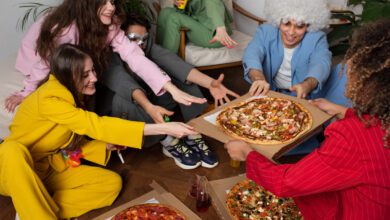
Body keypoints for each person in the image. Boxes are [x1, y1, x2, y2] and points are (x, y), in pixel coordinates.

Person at [0, 44, 198, 219]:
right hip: (12, 170)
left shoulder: (72, 96)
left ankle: (32, 209)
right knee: (12, 150)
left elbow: (65, 144)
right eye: (85, 74)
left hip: (46, 169)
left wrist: (104, 145)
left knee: (110, 184)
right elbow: (95, 124)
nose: (94, 78)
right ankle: (33, 211)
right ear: (68, 76)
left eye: (92, 70)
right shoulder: (49, 99)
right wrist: (162, 127)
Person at [225, 19, 390, 220]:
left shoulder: (351, 137)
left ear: (368, 80)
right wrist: (342, 110)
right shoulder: (383, 117)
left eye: (350, 67)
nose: (345, 70)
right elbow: (252, 54)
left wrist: (247, 154)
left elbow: (286, 183)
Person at [4, 0, 205, 113]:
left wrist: (170, 87)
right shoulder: (64, 31)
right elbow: (44, 63)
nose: (111, 7)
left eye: (113, 1)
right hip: (36, 54)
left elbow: (135, 56)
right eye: (104, 2)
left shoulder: (110, 24)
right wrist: (26, 91)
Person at [96, 14, 239, 169]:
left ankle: (192, 130)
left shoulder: (146, 46)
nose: (140, 44)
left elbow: (172, 62)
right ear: (121, 37)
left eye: (143, 38)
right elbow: (123, 82)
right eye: (133, 38)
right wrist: (149, 107)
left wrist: (211, 83)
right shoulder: (109, 55)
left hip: (152, 101)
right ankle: (166, 139)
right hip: (123, 108)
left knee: (177, 77)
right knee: (130, 96)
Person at [243, 0, 331, 99]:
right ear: (278, 21)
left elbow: (321, 63)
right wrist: (258, 78)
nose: (291, 32)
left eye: (299, 26)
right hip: (269, 92)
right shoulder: (265, 31)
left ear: (308, 26)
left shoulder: (317, 38)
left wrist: (307, 85)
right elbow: (252, 53)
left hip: (302, 97)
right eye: (286, 23)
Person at [156, 0, 238, 54]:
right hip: (198, 22)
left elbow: (214, 3)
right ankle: (159, 53)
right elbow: (186, 11)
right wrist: (177, 4)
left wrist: (220, 28)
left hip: (215, 35)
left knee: (174, 17)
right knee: (165, 12)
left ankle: (167, 62)